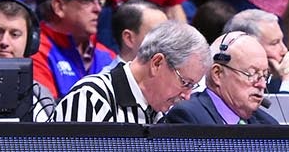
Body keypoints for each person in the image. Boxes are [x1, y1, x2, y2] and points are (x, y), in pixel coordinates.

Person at [55, 19, 209, 123]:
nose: (187, 96)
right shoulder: (91, 97)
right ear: (157, 63)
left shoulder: (161, 112)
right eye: (185, 83)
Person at [28, 0, 117, 121]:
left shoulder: (107, 55)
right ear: (59, 7)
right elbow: (49, 120)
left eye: (99, 0)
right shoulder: (35, 52)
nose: (98, 8)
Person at [160, 29, 278, 125]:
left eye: (264, 75)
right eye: (252, 74)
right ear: (217, 74)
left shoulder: (269, 124)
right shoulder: (188, 116)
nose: (262, 84)